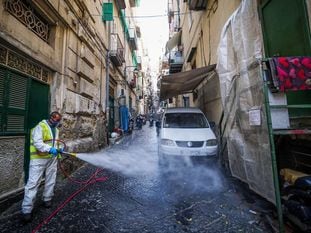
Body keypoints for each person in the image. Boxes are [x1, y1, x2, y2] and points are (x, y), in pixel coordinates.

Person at [21, 111, 63, 222]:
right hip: (38, 159)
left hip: (51, 159)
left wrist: (59, 149)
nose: (57, 122)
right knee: (33, 183)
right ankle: (26, 210)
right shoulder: (40, 127)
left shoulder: (56, 130)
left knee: (51, 179)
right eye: (55, 120)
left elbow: (55, 143)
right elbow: (37, 143)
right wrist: (50, 149)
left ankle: (47, 199)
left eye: (58, 120)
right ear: (51, 118)